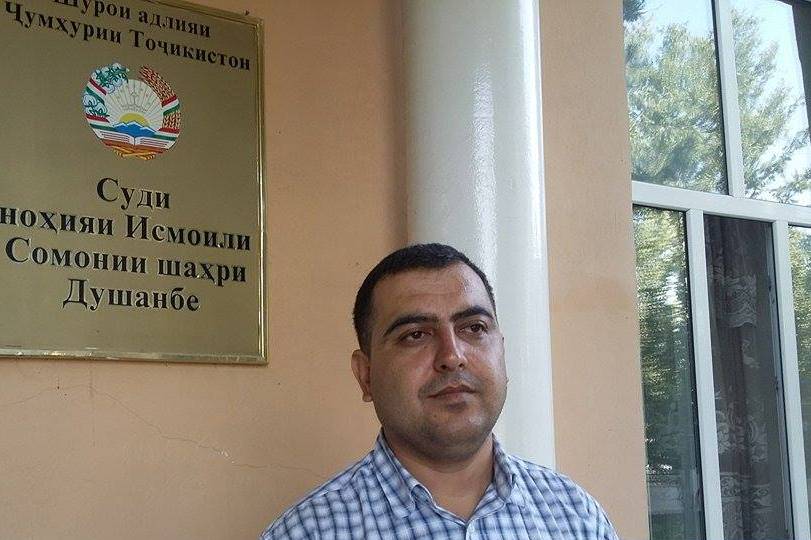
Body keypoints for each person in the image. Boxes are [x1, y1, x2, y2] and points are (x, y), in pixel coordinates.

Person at [260, 243, 619, 539]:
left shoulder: (576, 517)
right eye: (415, 335)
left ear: (502, 351)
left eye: (474, 328)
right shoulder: (307, 532)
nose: (452, 356)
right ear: (365, 375)